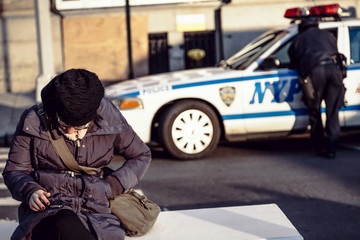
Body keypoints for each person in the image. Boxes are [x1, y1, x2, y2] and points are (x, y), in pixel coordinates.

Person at [2, 68, 152, 240]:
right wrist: (31, 191)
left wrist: (114, 185)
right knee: (63, 223)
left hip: (95, 211)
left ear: (94, 115)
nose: (72, 134)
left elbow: (141, 155)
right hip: (48, 210)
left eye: (80, 128)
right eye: (64, 126)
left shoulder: (109, 117)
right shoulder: (33, 120)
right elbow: (14, 171)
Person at [288, 17, 346, 159]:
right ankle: (332, 149)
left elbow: (294, 62)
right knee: (332, 112)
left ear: (302, 28)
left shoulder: (299, 39)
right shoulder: (328, 35)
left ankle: (320, 147)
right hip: (334, 71)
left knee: (315, 111)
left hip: (315, 73)